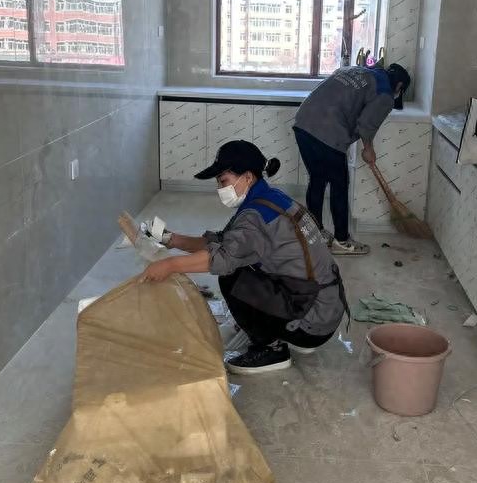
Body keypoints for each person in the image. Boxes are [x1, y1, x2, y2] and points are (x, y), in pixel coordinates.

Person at [139, 140, 347, 375]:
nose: (220, 189)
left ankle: (271, 349)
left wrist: (170, 265)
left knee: (232, 277)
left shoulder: (255, 216)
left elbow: (223, 257)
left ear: (247, 177)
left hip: (313, 321)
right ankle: (282, 327)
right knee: (240, 264)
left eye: (223, 181)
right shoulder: (270, 199)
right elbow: (224, 242)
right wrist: (172, 239)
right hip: (325, 306)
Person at [293, 61, 411, 256]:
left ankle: (316, 234)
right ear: (399, 86)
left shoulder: (356, 70)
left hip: (303, 123)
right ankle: (342, 241)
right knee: (339, 186)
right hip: (328, 132)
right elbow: (366, 124)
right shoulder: (385, 94)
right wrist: (368, 149)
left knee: (317, 179)